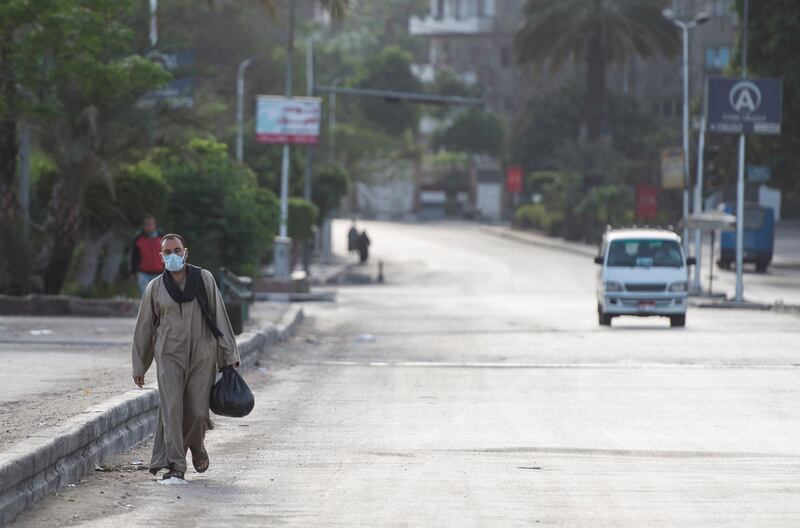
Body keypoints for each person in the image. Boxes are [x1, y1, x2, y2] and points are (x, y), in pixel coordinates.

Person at [132, 233, 240, 482]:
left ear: (186, 252)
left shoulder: (204, 279)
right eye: (167, 252)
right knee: (172, 410)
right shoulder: (155, 288)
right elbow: (145, 327)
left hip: (203, 354)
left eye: (177, 251)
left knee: (199, 412)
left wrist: (229, 354)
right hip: (168, 355)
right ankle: (175, 465)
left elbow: (220, 317)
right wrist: (140, 365)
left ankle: (197, 446)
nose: (173, 256)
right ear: (161, 257)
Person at [131, 215, 165, 295]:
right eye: (146, 224)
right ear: (143, 225)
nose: (149, 226)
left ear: (155, 225)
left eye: (151, 224)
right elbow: (134, 256)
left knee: (159, 296)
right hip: (143, 273)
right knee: (145, 296)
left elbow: (169, 255)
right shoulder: (138, 238)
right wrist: (133, 271)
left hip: (159, 273)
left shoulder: (162, 237)